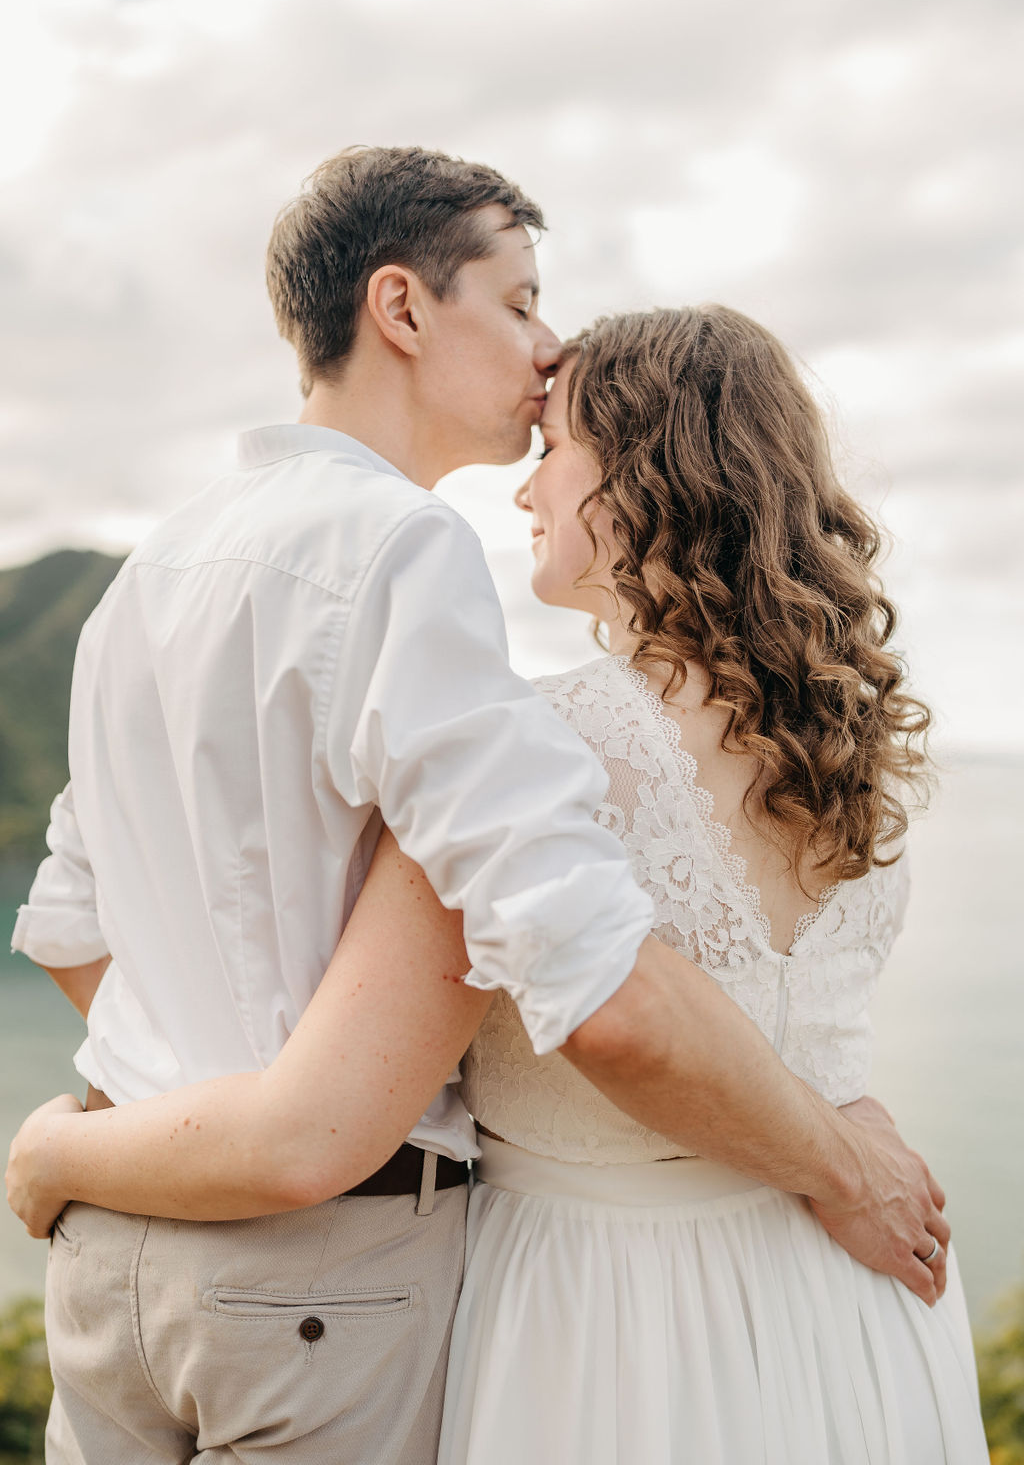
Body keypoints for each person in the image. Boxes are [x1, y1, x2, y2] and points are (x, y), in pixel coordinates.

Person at [7, 147, 951, 1463]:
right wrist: (843, 1163)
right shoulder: (403, 551)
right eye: (517, 303)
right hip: (336, 1280)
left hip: (120, 1283)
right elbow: (590, 987)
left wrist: (169, 1113)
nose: (543, 342)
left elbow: (65, 927)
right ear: (401, 309)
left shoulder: (147, 576)